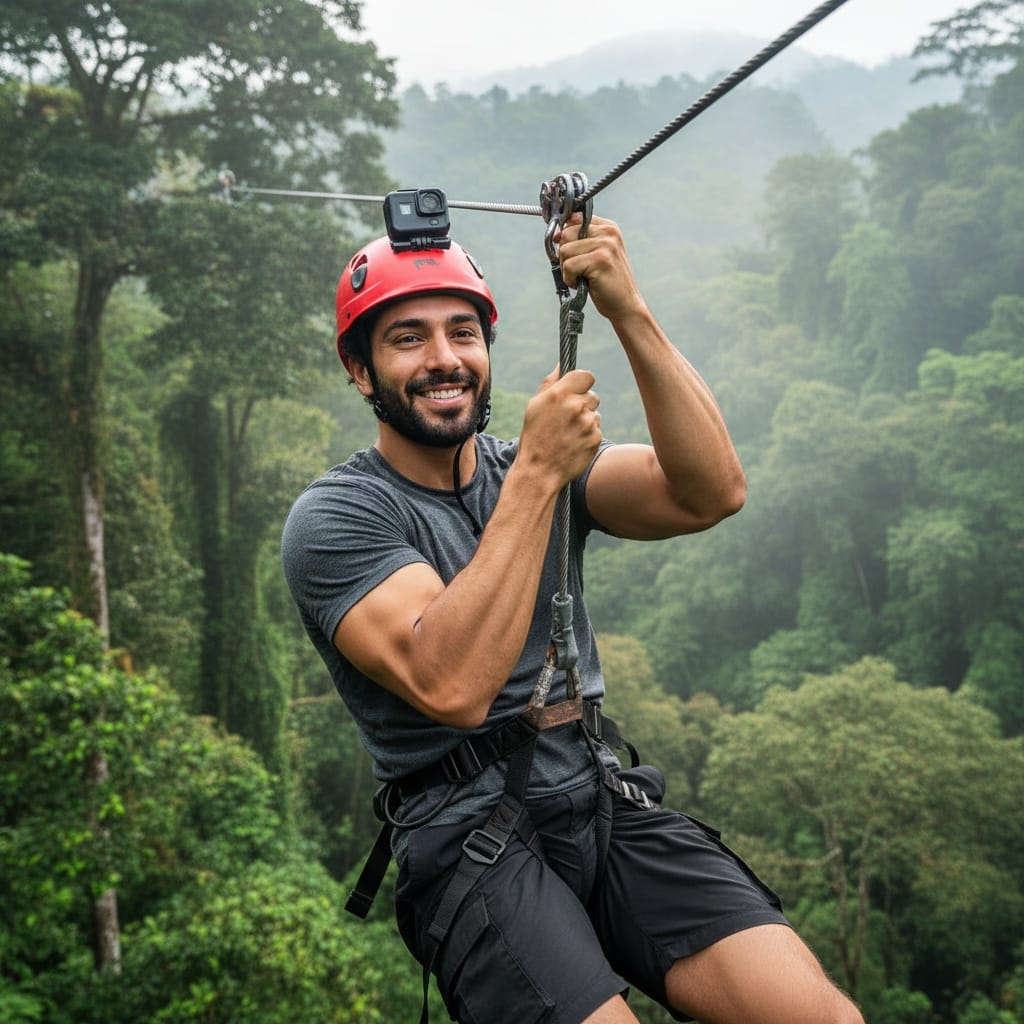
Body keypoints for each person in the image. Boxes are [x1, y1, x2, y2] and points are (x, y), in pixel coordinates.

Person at [281, 212, 864, 1024]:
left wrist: (629, 310)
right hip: (466, 841)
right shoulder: (339, 517)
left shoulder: (528, 467)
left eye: (462, 332)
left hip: (598, 795)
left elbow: (707, 492)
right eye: (407, 339)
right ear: (360, 369)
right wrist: (540, 475)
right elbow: (451, 685)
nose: (444, 359)